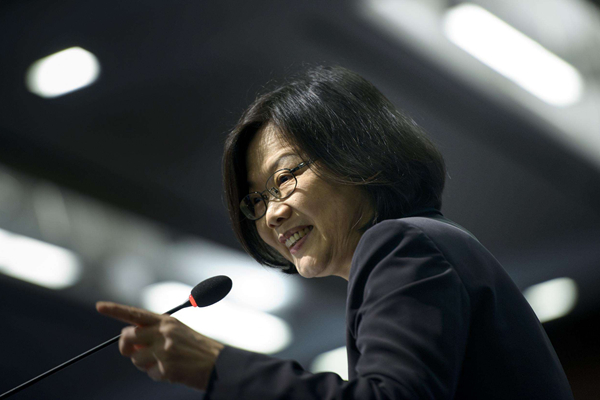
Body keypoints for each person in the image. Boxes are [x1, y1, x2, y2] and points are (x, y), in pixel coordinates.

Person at [97, 66, 575, 399]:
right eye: (256, 201)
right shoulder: (427, 245)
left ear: (356, 155)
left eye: (285, 177)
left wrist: (218, 366)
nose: (271, 215)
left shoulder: (402, 244)